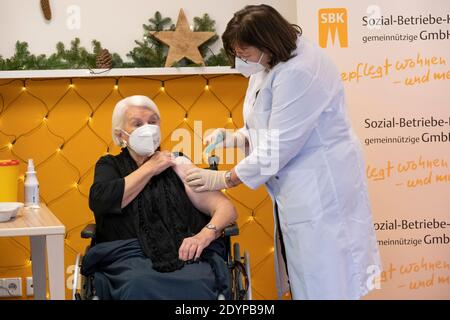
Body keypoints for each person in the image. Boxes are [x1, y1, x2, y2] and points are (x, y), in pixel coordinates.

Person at [185, 5, 381, 299]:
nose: (241, 61)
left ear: (268, 43)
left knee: (326, 281)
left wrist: (225, 179)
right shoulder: (267, 64)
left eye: (245, 53)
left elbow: (280, 145)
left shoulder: (302, 70)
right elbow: (266, 125)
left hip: (321, 189)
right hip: (295, 187)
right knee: (305, 274)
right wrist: (236, 137)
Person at [83, 95, 237, 300]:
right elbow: (101, 201)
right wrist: (151, 167)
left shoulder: (178, 163)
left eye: (153, 122)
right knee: (138, 283)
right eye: (137, 124)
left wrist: (205, 235)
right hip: (129, 259)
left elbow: (225, 209)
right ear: (121, 135)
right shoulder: (109, 165)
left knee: (198, 283)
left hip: (184, 253)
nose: (148, 128)